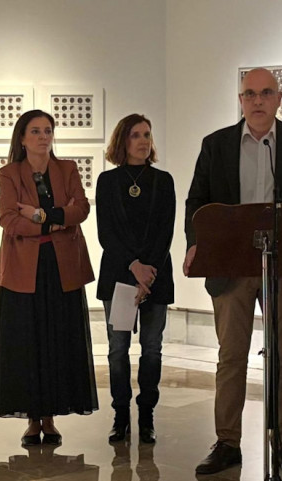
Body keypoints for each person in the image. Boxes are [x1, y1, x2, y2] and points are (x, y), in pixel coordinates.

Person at [184, 67, 282, 478]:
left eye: (265, 93)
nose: (256, 100)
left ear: (278, 99)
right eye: (249, 93)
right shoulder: (215, 145)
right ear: (240, 99)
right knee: (231, 358)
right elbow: (196, 201)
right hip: (231, 267)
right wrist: (194, 242)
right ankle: (227, 443)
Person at [0, 109, 98, 447]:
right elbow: (8, 218)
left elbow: (80, 209)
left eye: (48, 130)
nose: (43, 137)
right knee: (27, 343)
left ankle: (50, 418)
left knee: (59, 341)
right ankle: (32, 419)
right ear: (22, 138)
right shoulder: (9, 173)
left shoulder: (67, 169)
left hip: (62, 266)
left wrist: (38, 214)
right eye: (35, 131)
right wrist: (55, 220)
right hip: (24, 269)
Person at [96, 114, 175, 445]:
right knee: (118, 350)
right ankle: (120, 415)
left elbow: (165, 232)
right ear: (122, 142)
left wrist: (147, 272)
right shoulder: (107, 181)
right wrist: (133, 266)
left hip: (155, 277)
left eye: (147, 134)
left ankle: (147, 415)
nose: (143, 141)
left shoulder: (163, 180)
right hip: (120, 275)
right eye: (135, 135)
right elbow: (106, 234)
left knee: (152, 350)